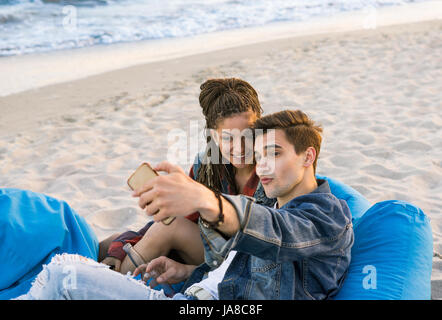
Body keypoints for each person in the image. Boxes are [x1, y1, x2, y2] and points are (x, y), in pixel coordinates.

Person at [17, 109, 354, 300]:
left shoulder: (327, 216)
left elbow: (278, 234)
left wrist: (203, 198)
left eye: (275, 154)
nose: (262, 166)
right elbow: (240, 265)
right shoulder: (272, 203)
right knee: (69, 270)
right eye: (260, 155)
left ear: (308, 156)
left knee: (64, 275)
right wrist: (189, 271)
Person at [101, 78, 275, 274]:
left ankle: (108, 284)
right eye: (228, 138)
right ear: (214, 137)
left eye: (248, 134)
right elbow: (181, 218)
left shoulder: (273, 168)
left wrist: (191, 270)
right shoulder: (206, 165)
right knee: (112, 243)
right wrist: (121, 245)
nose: (240, 147)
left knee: (167, 229)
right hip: (206, 246)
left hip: (243, 258)